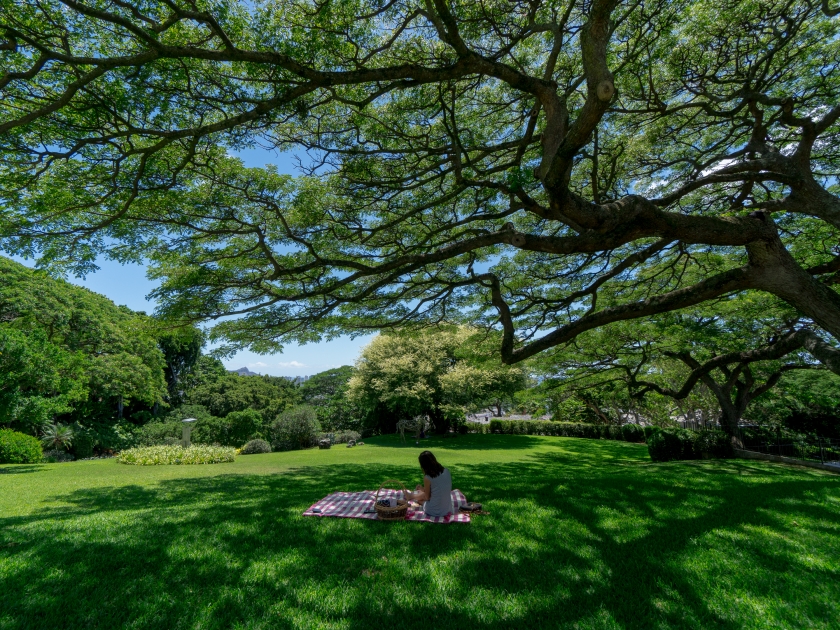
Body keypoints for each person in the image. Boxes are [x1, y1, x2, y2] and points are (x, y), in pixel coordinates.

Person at [406, 450, 453, 517]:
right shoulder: (446, 471)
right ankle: (411, 496)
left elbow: (427, 497)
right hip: (447, 509)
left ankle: (411, 496)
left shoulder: (428, 477)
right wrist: (423, 489)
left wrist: (422, 491)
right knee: (425, 495)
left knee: (421, 501)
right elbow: (436, 489)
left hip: (435, 511)